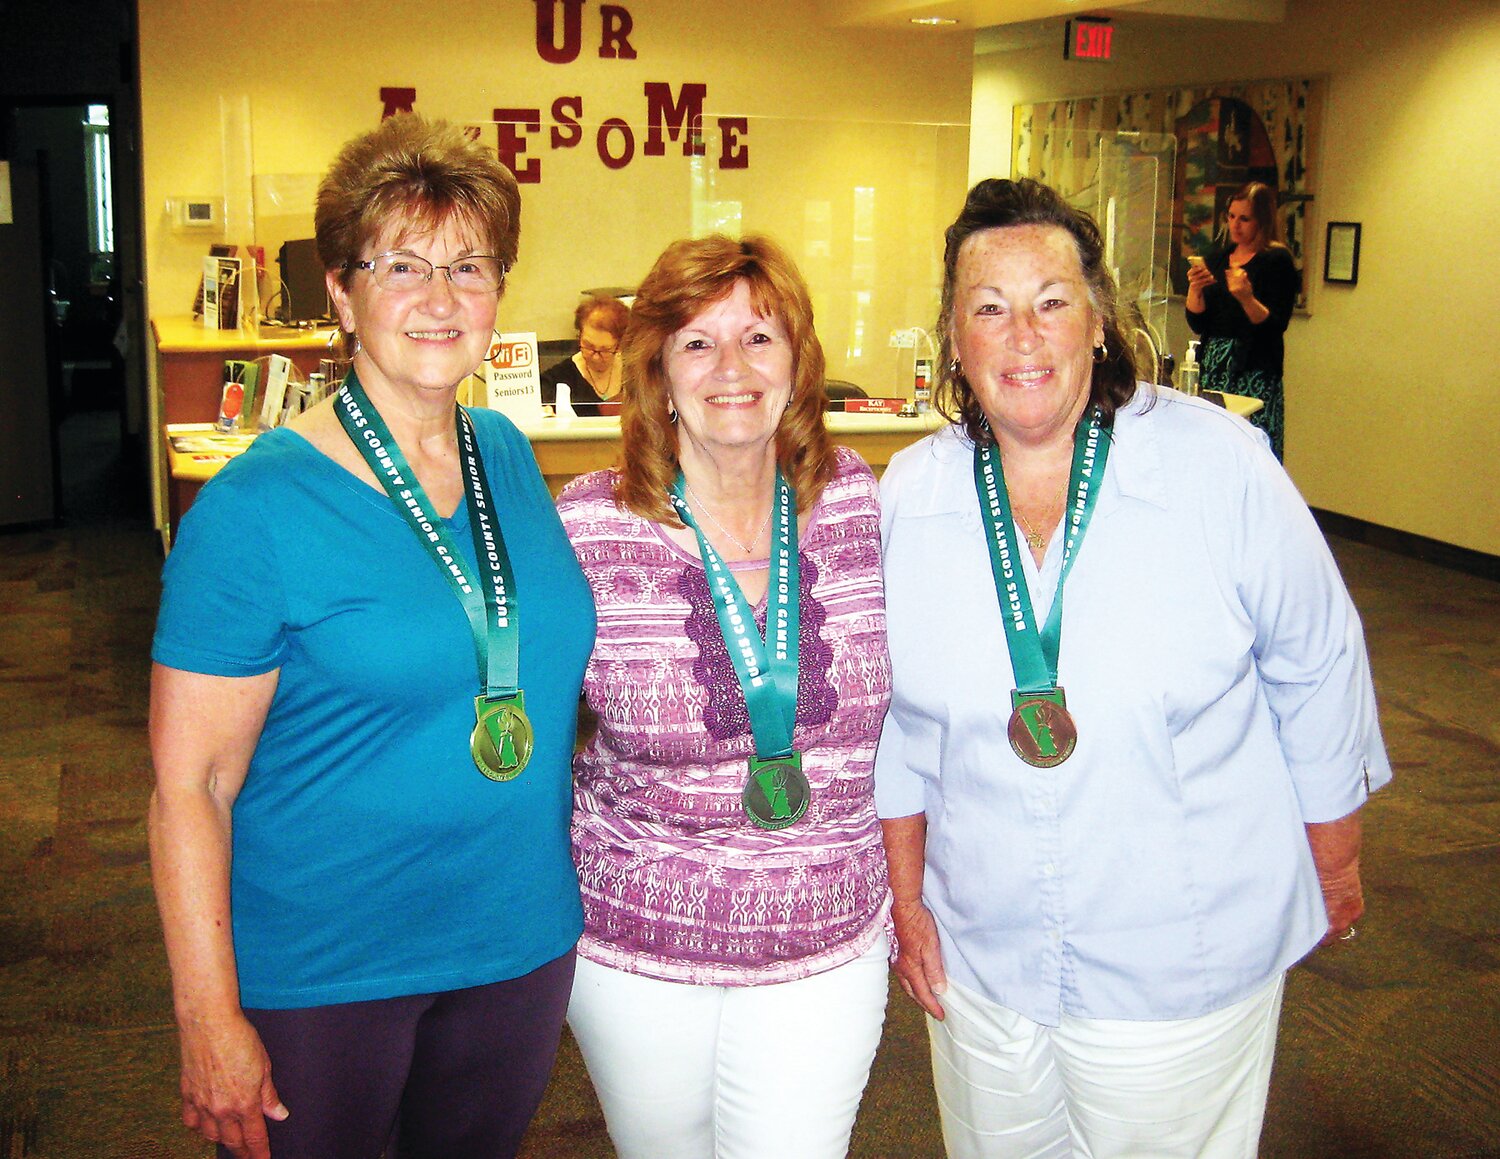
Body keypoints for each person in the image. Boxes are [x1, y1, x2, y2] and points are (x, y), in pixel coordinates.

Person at [876, 177, 1390, 1159]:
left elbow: (1317, 659)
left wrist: (1335, 857)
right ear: (953, 336)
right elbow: (899, 725)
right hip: (982, 949)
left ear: (1100, 322)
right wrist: (906, 905)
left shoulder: (1216, 464)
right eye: (989, 307)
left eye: (1051, 301)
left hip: (1178, 954)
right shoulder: (915, 494)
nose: (1022, 334)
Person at [147, 114, 595, 1159]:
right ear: (342, 295)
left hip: (515, 944)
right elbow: (188, 788)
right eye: (402, 265)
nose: (441, 299)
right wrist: (206, 1016)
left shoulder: (507, 454)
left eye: (471, 265)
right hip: (327, 967)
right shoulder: (253, 510)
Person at [556, 234, 892, 1159]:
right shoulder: (587, 524)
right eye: (697, 342)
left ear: (798, 362)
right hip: (638, 946)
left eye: (759, 337)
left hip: (824, 936)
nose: (731, 368)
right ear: (658, 370)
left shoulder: (859, 502)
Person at [1185, 180, 1300, 460]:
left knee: (1251, 450)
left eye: (1245, 219)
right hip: (1215, 364)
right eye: (1232, 217)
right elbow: (1199, 322)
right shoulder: (1218, 258)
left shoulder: (1276, 261)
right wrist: (1195, 290)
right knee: (1213, 448)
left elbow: (1275, 325)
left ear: (1261, 221)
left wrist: (1247, 298)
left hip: (1254, 367)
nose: (1236, 225)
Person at [539, 294, 629, 413]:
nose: (596, 357)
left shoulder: (635, 372)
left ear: (620, 345)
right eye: (588, 346)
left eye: (604, 350)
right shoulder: (555, 380)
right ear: (579, 335)